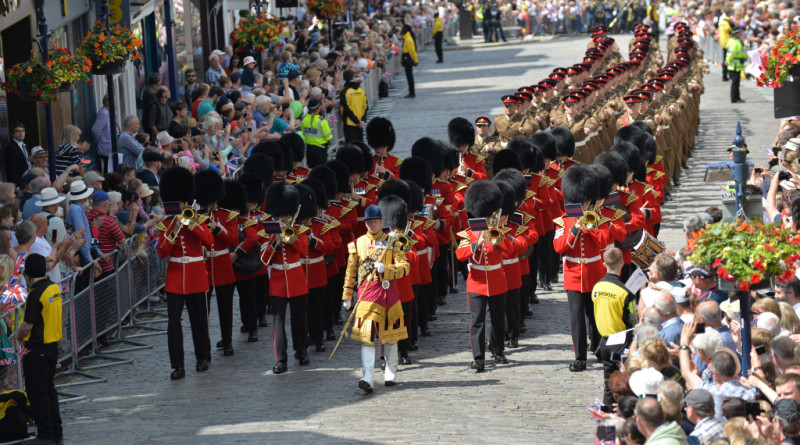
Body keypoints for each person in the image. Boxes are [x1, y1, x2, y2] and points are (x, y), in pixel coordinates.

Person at [342, 204, 410, 392]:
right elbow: (350, 272)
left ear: (381, 222)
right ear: (366, 224)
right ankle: (368, 376)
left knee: (390, 337)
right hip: (367, 295)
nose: (372, 225)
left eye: (375, 221)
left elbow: (405, 267)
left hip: (388, 295)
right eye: (369, 222)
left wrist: (387, 270)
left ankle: (390, 371)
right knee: (367, 338)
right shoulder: (357, 244)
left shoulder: (393, 242)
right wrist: (347, 295)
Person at [155, 167, 214, 380]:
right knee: (173, 322)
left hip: (196, 275)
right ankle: (177, 365)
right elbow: (162, 251)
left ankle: (201, 357)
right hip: (175, 277)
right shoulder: (166, 224)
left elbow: (208, 240)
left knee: (199, 320)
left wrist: (189, 224)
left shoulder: (197, 219)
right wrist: (173, 230)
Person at [554, 164, 610, 372]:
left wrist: (591, 228)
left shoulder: (598, 219)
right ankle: (580, 357)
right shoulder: (563, 221)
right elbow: (559, 247)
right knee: (576, 318)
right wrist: (575, 229)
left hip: (595, 272)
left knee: (595, 316)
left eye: (585, 200)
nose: (584, 203)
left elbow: (604, 241)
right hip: (573, 275)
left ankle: (597, 347)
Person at [456, 181, 514, 372]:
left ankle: (498, 351)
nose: (489, 218)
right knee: (478, 321)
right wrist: (477, 243)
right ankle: (478, 357)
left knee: (497, 318)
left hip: (497, 280)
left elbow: (510, 250)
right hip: (477, 282)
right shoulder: (468, 233)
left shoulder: (498, 231)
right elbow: (460, 254)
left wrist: (498, 238)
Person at [261, 182, 310, 375]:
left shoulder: (298, 229)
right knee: (278, 324)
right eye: (277, 215)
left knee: (299, 320)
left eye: (282, 215)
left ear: (289, 213)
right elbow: (264, 260)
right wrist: (275, 242)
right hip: (278, 281)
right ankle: (281, 360)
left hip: (296, 279)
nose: (280, 218)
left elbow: (304, 251)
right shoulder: (268, 231)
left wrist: (291, 238)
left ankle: (302, 350)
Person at [14, 253, 63, 444]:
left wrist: (18, 337)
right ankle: (55, 432)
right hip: (52, 346)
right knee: (49, 390)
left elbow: (27, 324)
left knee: (38, 393)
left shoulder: (35, 293)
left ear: (28, 272)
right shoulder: (53, 287)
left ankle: (45, 434)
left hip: (37, 348)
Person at [592, 247, 636, 405]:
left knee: (608, 382)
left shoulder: (596, 287)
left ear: (604, 264)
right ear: (622, 263)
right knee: (624, 383)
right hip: (621, 342)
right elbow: (633, 318)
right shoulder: (625, 292)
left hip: (604, 340)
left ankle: (606, 412)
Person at [300, 98, 332, 167]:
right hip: (320, 150)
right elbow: (329, 138)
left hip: (309, 150)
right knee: (321, 172)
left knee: (311, 171)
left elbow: (304, 133)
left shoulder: (304, 120)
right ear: (318, 108)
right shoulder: (322, 121)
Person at [340, 70, 368, 143]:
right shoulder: (361, 91)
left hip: (350, 123)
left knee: (352, 148)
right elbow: (365, 106)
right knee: (360, 146)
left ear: (344, 78)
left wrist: (357, 121)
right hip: (360, 123)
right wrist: (362, 120)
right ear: (353, 77)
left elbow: (346, 108)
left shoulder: (344, 92)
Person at [91, 95, 116, 174]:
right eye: (114, 101)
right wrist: (99, 141)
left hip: (109, 146)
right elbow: (95, 129)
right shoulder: (104, 113)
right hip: (106, 146)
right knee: (108, 169)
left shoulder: (108, 111)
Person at [726, 26, 746, 104]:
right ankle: (735, 98)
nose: (741, 34)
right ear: (736, 34)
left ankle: (737, 97)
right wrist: (728, 60)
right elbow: (732, 54)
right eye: (739, 33)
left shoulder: (734, 41)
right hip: (734, 65)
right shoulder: (735, 42)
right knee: (735, 83)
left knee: (736, 82)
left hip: (735, 65)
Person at [400, 24, 418, 99]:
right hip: (406, 58)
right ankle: (411, 91)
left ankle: (412, 92)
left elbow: (412, 51)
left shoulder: (408, 39)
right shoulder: (406, 38)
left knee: (409, 76)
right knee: (409, 76)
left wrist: (415, 60)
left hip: (408, 58)